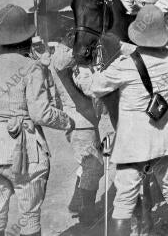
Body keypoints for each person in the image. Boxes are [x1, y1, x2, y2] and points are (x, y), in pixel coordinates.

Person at [75, 4, 168, 236]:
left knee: (124, 199)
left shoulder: (125, 66)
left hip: (133, 142)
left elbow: (94, 87)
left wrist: (82, 74)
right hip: (165, 135)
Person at [0, 4, 75, 236]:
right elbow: (40, 113)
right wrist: (67, 120)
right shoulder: (31, 67)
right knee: (29, 217)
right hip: (25, 152)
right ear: (26, 38)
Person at [49, 40, 104, 225]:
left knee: (85, 164)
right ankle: (87, 215)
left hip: (80, 121)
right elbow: (91, 89)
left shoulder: (60, 56)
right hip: (82, 122)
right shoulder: (67, 59)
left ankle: (76, 203)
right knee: (93, 167)